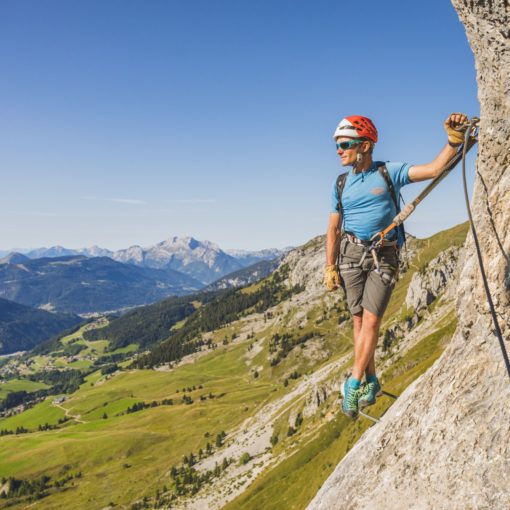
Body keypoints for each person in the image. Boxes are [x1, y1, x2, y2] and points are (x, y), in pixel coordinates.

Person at [324, 113, 468, 418]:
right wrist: (329, 266)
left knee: (372, 321)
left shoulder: (389, 172)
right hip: (350, 255)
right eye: (337, 145)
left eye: (345, 144)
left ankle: (354, 383)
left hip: (383, 254)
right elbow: (333, 229)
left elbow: (433, 169)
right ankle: (372, 381)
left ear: (364, 145)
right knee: (359, 323)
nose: (339, 150)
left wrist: (453, 140)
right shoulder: (340, 183)